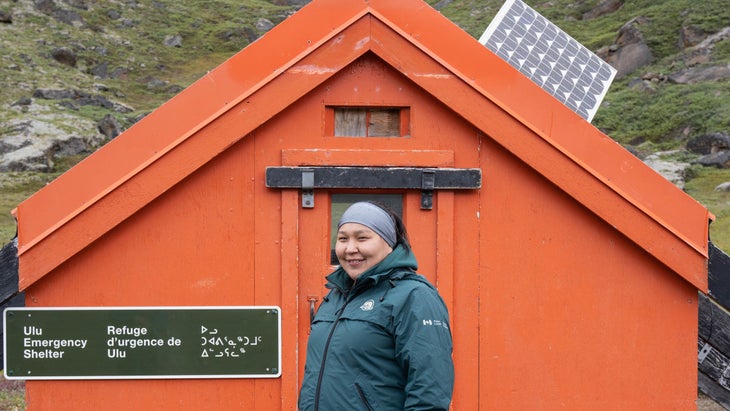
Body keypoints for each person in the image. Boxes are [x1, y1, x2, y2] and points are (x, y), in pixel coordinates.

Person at [298, 201, 454, 411]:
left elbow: (430, 391)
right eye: (343, 239)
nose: (350, 248)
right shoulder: (335, 296)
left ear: (389, 244)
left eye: (362, 238)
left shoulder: (414, 296)